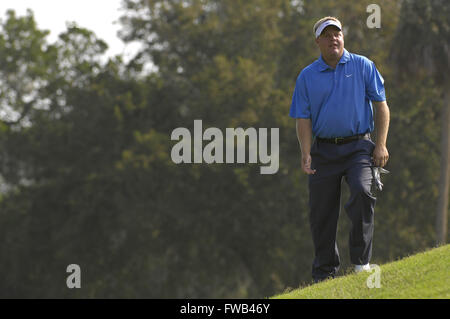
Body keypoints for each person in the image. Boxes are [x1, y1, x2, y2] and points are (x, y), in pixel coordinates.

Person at [289, 17, 390, 283]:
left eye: (338, 34)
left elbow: (381, 106)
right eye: (327, 35)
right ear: (318, 41)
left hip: (359, 146)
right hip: (323, 150)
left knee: (361, 190)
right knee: (321, 212)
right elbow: (303, 118)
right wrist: (306, 152)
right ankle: (324, 274)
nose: (334, 38)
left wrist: (380, 144)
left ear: (343, 38)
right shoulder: (307, 76)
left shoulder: (362, 65)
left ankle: (361, 262)